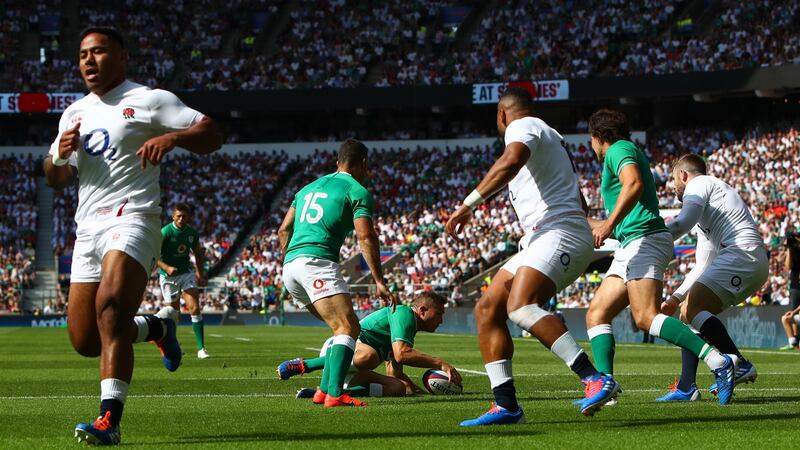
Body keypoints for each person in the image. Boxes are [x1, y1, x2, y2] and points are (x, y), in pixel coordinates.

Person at [43, 27, 222, 445]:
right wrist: (57, 155)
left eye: (99, 51)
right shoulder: (73, 114)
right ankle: (158, 329)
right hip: (87, 228)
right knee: (86, 339)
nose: (89, 60)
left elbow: (212, 133)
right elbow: (56, 179)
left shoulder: (149, 99)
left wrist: (174, 137)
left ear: (122, 56)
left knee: (110, 307)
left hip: (134, 217)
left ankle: (110, 420)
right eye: (83, 54)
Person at [445, 88, 619, 427]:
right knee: (487, 308)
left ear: (502, 115)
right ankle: (506, 405)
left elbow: (510, 161)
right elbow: (580, 201)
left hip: (557, 231)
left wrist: (467, 204)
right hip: (546, 234)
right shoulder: (548, 135)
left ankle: (593, 377)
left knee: (521, 306)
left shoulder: (521, 127)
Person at [583, 109, 737, 406]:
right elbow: (630, 204)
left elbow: (634, 183)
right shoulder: (622, 150)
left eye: (591, 140)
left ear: (598, 136)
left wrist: (608, 224)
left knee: (645, 317)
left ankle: (719, 361)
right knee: (597, 313)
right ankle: (605, 388)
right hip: (632, 243)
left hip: (646, 240)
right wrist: (590, 222)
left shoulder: (618, 149)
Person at [279, 138, 396, 408]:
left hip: (291, 266)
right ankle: (334, 394)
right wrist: (379, 280)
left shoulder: (307, 188)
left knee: (340, 329)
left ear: (337, 161)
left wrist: (291, 259)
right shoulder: (356, 190)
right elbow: (366, 237)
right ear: (364, 164)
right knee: (348, 327)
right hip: (316, 261)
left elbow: (283, 229)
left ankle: (322, 391)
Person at [658, 154, 766, 400]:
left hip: (742, 254)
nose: (673, 186)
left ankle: (738, 364)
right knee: (688, 312)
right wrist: (675, 298)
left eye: (674, 180)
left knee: (693, 308)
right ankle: (687, 387)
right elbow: (702, 265)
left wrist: (650, 237)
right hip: (746, 258)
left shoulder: (699, 184)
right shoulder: (707, 210)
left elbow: (681, 223)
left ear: (683, 175)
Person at [277, 292, 461, 399]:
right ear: (422, 310)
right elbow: (401, 354)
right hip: (341, 349)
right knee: (370, 356)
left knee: (398, 388)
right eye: (439, 314)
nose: (441, 320)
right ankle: (305, 365)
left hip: (353, 368)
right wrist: (440, 364)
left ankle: (336, 392)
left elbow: (394, 371)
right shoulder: (404, 314)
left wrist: (416, 389)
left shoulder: (408, 328)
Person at [157, 203, 210, 359]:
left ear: (188, 217)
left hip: (186, 274)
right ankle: (174, 346)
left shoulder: (192, 233)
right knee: (174, 314)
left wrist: (200, 274)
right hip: (168, 277)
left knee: (194, 307)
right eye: (178, 216)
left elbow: (198, 254)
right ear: (173, 216)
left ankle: (201, 349)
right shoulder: (165, 232)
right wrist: (166, 267)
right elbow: (154, 256)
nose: (181, 219)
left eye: (184, 216)